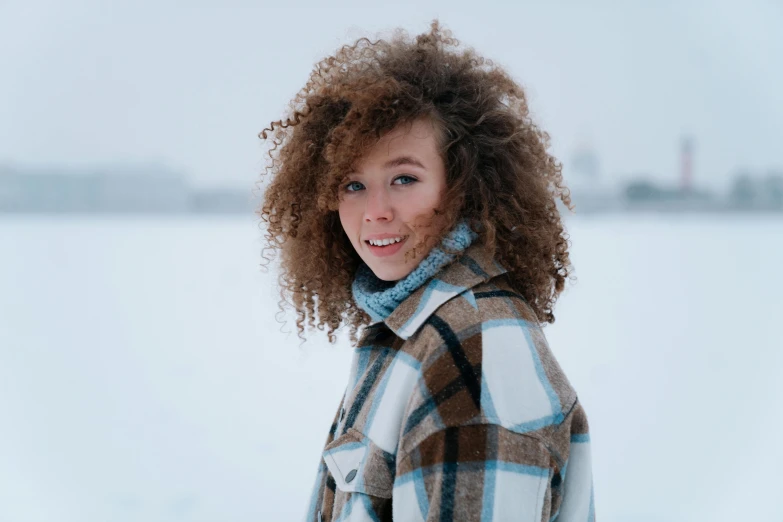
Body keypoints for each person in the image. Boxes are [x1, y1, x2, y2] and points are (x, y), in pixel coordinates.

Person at [258, 21, 595, 522]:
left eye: (404, 178)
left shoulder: (474, 352)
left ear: (464, 186)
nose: (375, 210)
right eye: (353, 184)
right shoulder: (414, 329)